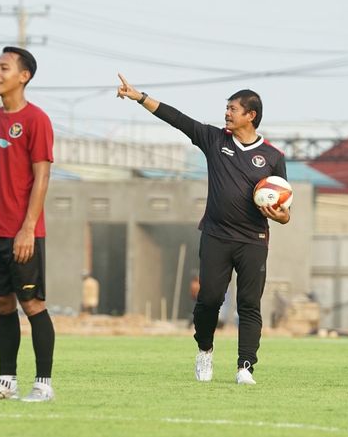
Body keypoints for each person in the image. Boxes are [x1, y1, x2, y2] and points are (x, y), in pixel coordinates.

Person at [117, 74, 290, 385]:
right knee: (209, 299)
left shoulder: (274, 157)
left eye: (233, 109)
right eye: (226, 108)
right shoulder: (215, 140)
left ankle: (245, 367)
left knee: (249, 304)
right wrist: (139, 96)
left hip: (254, 240)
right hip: (216, 236)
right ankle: (205, 350)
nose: (226, 113)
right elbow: (177, 119)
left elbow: (285, 213)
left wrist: (278, 215)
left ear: (250, 115)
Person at [0, 47, 55, 402]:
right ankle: (6, 382)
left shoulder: (37, 119)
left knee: (32, 305)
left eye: (3, 67)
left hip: (24, 234)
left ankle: (44, 385)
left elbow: (42, 176)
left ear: (24, 76)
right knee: (2, 306)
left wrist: (28, 227)